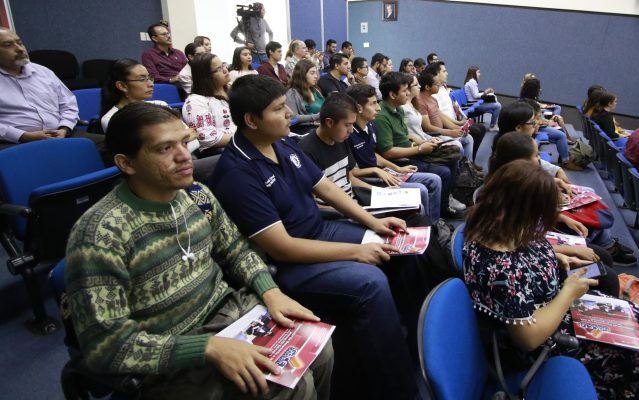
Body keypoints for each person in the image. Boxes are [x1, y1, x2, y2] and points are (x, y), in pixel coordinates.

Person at [65, 102, 332, 400]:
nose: (184, 156)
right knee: (288, 388)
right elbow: (106, 346)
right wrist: (206, 347)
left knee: (319, 349)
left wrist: (270, 291)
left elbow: (235, 248)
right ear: (126, 163)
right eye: (164, 149)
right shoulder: (100, 233)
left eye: (184, 142)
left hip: (229, 315)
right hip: (171, 352)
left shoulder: (197, 196)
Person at [207, 75, 441, 400]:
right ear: (251, 120)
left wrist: (373, 221)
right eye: (278, 109)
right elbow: (283, 248)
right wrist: (355, 252)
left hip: (322, 229)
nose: (289, 114)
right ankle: (398, 387)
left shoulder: (283, 144)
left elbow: (326, 188)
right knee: (370, 282)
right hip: (290, 262)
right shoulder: (237, 173)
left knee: (400, 245)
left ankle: (417, 341)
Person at [462, 161, 639, 399]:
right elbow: (529, 339)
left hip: (556, 308)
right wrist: (569, 291)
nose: (541, 223)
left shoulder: (498, 226)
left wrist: (554, 257)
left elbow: (524, 254)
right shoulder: (499, 269)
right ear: (520, 211)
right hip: (550, 340)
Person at [496, 101, 637, 265]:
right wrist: (570, 250)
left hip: (539, 230)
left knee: (588, 223)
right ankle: (607, 245)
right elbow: (523, 242)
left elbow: (533, 215)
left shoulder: (517, 169)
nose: (537, 124)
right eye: (536, 156)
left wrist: (560, 217)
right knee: (595, 238)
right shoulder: (513, 192)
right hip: (536, 244)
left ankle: (607, 244)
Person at [346, 83, 443, 226]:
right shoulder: (348, 133)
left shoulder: (370, 125)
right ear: (359, 108)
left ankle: (434, 225)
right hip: (370, 180)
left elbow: (372, 154)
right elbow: (352, 173)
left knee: (435, 180)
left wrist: (397, 169)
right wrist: (377, 170)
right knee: (421, 190)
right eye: (373, 104)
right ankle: (426, 228)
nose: (378, 108)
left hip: (382, 172)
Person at [374, 72, 465, 219]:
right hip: (400, 159)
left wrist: (423, 142)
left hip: (412, 149)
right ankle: (437, 216)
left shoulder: (398, 109)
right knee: (444, 172)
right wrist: (419, 149)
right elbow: (388, 152)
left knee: (453, 155)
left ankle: (445, 202)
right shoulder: (382, 117)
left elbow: (405, 135)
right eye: (404, 91)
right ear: (392, 94)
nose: (408, 93)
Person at [0, 27, 102, 149]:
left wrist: (64, 128)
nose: (20, 49)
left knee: (113, 146)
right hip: (15, 143)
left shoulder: (42, 71)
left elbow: (68, 104)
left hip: (62, 134)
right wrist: (23, 135)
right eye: (8, 45)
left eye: (20, 42)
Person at [425, 61, 487, 163]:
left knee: (479, 129)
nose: (447, 73)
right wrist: (458, 125)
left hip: (453, 122)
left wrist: (459, 117)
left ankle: (470, 164)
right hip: (446, 127)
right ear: (436, 74)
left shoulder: (443, 88)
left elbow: (448, 109)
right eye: (444, 71)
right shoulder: (433, 92)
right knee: (476, 131)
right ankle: (467, 165)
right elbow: (439, 116)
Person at [405, 73, 471, 160]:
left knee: (468, 138)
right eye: (436, 84)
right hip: (433, 134)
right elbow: (426, 128)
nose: (419, 86)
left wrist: (459, 127)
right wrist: (449, 132)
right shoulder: (418, 103)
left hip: (429, 136)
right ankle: (463, 168)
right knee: (457, 147)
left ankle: (468, 165)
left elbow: (442, 117)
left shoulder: (431, 99)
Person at [182, 53, 235, 155]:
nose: (225, 70)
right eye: (219, 69)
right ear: (206, 76)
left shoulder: (233, 89)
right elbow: (207, 137)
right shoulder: (196, 101)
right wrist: (249, 137)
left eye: (224, 66)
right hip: (223, 152)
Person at [285, 59, 324, 129]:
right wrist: (317, 116)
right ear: (302, 74)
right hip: (305, 129)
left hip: (320, 125)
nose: (316, 76)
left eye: (316, 73)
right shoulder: (292, 93)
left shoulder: (315, 90)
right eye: (312, 73)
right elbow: (293, 118)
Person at [463, 66, 501, 131]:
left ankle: (493, 125)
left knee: (496, 106)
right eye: (478, 72)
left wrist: (484, 93)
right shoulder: (472, 81)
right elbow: (475, 95)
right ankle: (492, 126)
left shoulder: (471, 81)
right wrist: (485, 93)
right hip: (474, 104)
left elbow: (475, 94)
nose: (479, 74)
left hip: (475, 103)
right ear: (473, 73)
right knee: (498, 106)